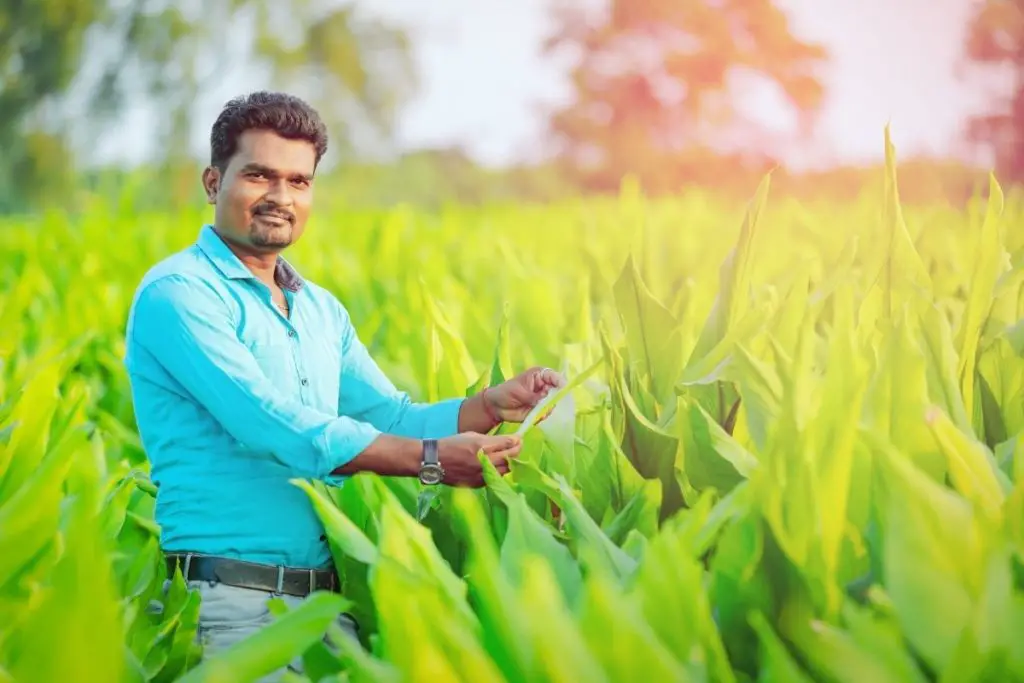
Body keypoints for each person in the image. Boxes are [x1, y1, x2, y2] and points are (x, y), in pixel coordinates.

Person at [122, 91, 564, 679]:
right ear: (212, 182)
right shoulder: (178, 294)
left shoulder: (319, 310)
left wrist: (488, 405)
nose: (281, 197)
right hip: (228, 609)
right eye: (259, 175)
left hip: (327, 610)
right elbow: (268, 420)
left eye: (299, 182)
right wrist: (429, 460)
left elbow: (390, 415)